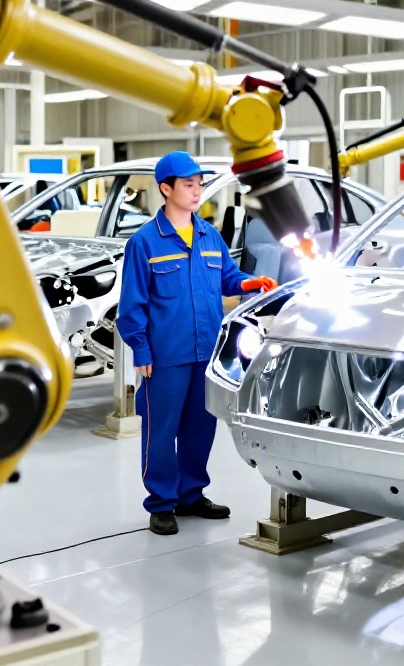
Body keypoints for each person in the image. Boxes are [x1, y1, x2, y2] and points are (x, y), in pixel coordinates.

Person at [116, 152, 277, 535]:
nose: (196, 191)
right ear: (165, 189)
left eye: (199, 184)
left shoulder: (209, 235)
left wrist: (249, 283)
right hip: (165, 356)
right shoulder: (145, 243)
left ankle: (191, 494)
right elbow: (132, 305)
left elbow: (228, 278)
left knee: (199, 428)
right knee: (161, 431)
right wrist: (140, 348)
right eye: (188, 185)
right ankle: (161, 503)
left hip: (206, 352)